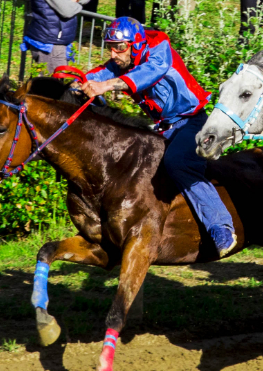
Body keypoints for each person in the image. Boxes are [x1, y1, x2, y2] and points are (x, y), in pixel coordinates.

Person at [80, 16, 237, 256]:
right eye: (110, 47)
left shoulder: (159, 50)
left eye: (119, 47)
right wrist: (76, 82)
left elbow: (147, 73)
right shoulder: (123, 60)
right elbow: (98, 74)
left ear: (137, 43)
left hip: (193, 123)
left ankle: (221, 227)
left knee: (178, 163)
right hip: (162, 128)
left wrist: (107, 86)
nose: (113, 54)